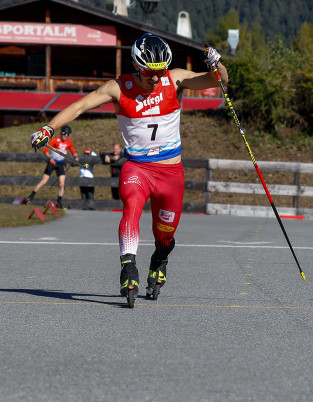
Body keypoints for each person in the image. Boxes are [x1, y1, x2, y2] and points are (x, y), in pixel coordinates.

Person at [30, 33, 227, 306]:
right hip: (138, 169)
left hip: (171, 174)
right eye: (149, 73)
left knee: (166, 237)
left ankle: (159, 259)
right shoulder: (118, 88)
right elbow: (79, 106)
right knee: (131, 206)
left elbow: (218, 81)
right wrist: (48, 129)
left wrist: (217, 64)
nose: (156, 79)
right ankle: (128, 267)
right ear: (137, 66)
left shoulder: (175, 78)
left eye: (160, 72)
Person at [27, 125, 78, 208]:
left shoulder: (69, 142)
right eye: (63, 133)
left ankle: (59, 202)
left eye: (67, 134)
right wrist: (50, 158)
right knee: (44, 181)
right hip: (52, 162)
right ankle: (31, 196)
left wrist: (76, 157)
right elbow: (45, 150)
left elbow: (73, 151)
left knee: (62, 183)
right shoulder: (55, 140)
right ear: (61, 133)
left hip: (61, 164)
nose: (65, 136)